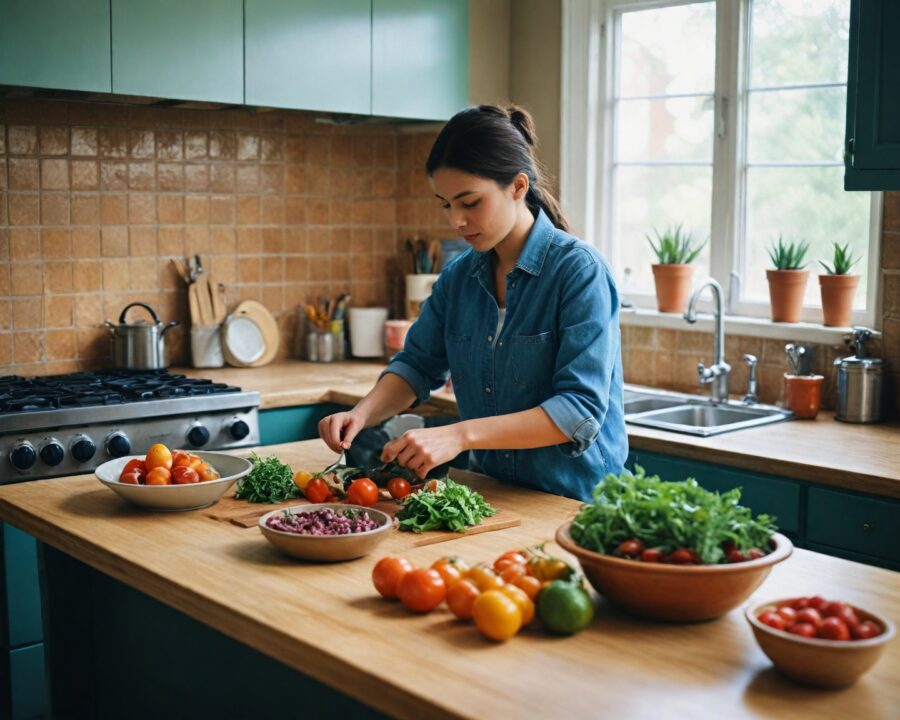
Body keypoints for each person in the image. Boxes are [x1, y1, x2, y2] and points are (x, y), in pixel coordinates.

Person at [319, 105, 626, 501]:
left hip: (574, 503)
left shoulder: (579, 272)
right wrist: (361, 414)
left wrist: (460, 435)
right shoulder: (459, 276)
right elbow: (417, 365)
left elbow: (576, 410)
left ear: (517, 187)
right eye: (446, 204)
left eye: (470, 202)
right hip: (494, 494)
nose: (455, 221)